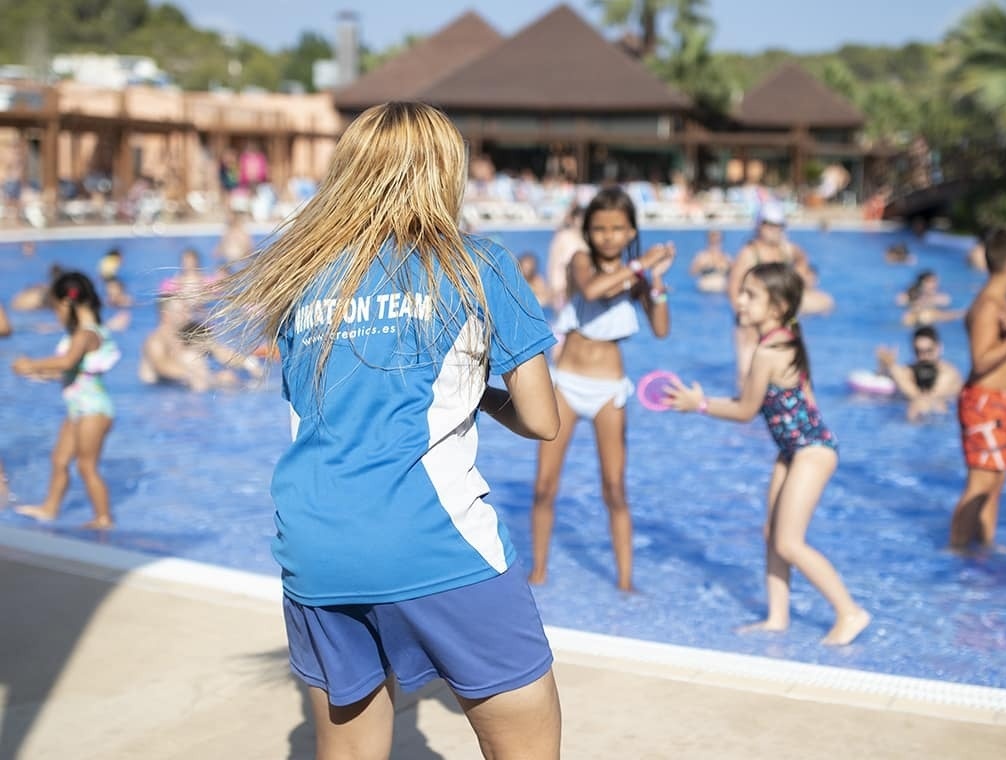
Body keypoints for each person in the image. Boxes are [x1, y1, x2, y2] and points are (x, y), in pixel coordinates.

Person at [211, 102, 562, 759]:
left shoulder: (299, 276)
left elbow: (322, 407)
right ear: (444, 172)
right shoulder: (477, 264)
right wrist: (479, 395)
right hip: (437, 543)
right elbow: (544, 420)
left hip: (316, 547)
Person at [666, 262, 869, 646]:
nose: (739, 300)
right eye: (741, 292)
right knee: (771, 534)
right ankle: (778, 617)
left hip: (811, 450)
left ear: (776, 306)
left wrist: (700, 404)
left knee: (790, 542)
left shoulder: (769, 350)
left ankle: (850, 611)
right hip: (793, 448)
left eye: (750, 295)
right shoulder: (786, 339)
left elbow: (745, 410)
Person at [530, 187, 674, 592]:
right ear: (589, 231)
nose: (608, 236)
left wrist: (656, 280)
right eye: (599, 228)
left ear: (631, 231)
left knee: (614, 487)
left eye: (617, 228)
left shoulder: (638, 276)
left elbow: (662, 330)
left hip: (610, 388)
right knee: (544, 485)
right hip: (567, 383)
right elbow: (594, 290)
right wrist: (643, 264)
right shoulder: (580, 262)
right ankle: (538, 571)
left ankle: (625, 582)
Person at [948, 225, 1006, 550]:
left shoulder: (1002, 301)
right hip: (987, 404)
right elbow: (980, 360)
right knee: (980, 483)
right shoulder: (988, 305)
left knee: (996, 481)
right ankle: (957, 549)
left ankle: (984, 545)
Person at [10, 271, 119, 529]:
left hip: (94, 409)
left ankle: (104, 519)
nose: (56, 315)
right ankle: (50, 508)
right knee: (59, 460)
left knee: (86, 466)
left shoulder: (86, 334)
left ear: (67, 303)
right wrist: (34, 371)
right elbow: (68, 370)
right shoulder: (78, 335)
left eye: (56, 308)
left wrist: (31, 363)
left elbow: (67, 361)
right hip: (77, 408)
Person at [727, 203, 810, 388]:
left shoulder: (785, 249)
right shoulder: (749, 254)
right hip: (750, 320)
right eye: (770, 225)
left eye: (779, 226)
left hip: (776, 320)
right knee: (746, 374)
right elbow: (733, 287)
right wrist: (743, 316)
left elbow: (803, 258)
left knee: (784, 374)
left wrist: (798, 284)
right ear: (759, 225)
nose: (774, 230)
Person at [139, 295, 261, 391]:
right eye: (182, 311)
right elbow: (161, 366)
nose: (188, 315)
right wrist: (205, 378)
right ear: (165, 315)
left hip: (186, 390)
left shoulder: (186, 335)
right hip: (161, 396)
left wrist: (249, 364)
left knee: (227, 379)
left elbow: (218, 351)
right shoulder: (155, 341)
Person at [876, 325, 964, 421]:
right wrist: (883, 366)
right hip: (918, 413)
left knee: (930, 407)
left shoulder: (948, 374)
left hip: (943, 417)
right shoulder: (910, 370)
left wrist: (893, 368)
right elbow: (881, 381)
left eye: (929, 351)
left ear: (939, 348)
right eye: (918, 352)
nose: (924, 357)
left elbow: (925, 399)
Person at [546, 204, 586, 310]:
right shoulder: (563, 237)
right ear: (573, 219)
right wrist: (556, 289)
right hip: (563, 291)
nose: (582, 222)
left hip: (582, 291)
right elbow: (555, 264)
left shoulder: (587, 238)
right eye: (580, 218)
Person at [689, 229, 732, 293]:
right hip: (705, 289)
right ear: (708, 239)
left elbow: (735, 275)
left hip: (721, 289)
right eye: (712, 236)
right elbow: (691, 272)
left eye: (716, 236)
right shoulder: (701, 256)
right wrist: (702, 265)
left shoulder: (727, 258)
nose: (714, 239)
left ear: (721, 239)